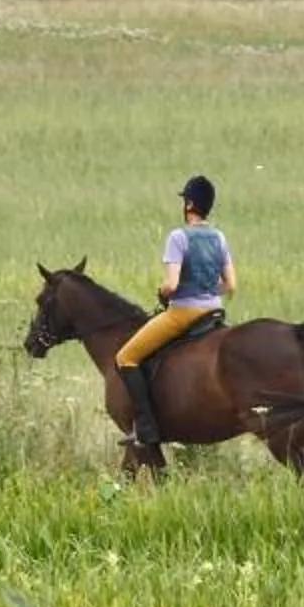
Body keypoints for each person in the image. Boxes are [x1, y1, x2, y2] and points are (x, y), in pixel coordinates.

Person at [114, 174, 237, 449]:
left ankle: (145, 428)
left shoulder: (178, 237)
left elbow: (171, 284)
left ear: (190, 204)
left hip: (184, 313)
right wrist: (207, 290)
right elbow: (231, 285)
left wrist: (164, 292)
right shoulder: (219, 237)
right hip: (214, 313)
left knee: (126, 357)